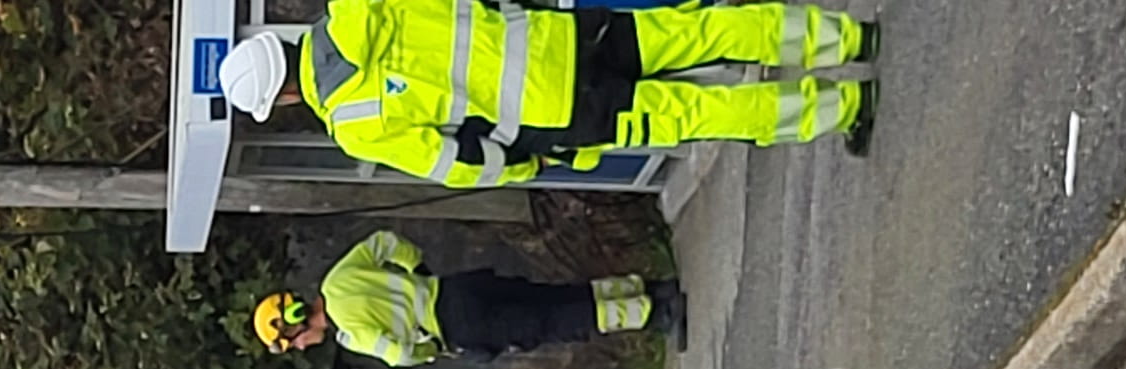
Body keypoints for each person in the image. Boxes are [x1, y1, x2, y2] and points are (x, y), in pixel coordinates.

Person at [216, 2, 877, 185]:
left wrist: (526, 163)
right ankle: (848, 38)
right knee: (698, 31)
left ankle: (843, 107)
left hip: (553, 112)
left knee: (699, 113)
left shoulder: (353, 122)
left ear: (283, 101)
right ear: (288, 38)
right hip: (558, 36)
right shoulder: (359, 6)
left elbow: (459, 164)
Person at [255, 235, 682, 367]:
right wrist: (420, 272)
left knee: (557, 321)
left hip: (458, 329)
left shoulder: (349, 333)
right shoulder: (338, 277)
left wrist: (433, 351)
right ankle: (648, 287)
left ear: (295, 321)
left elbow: (401, 354)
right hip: (456, 288)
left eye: (293, 342)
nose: (300, 347)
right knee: (552, 296)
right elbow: (385, 241)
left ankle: (656, 314)